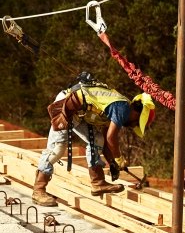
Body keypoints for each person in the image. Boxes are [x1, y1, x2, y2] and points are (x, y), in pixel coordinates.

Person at [32, 72, 155, 207]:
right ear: (137, 114)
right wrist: (118, 158)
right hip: (67, 103)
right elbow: (111, 137)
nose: (134, 126)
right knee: (57, 149)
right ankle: (38, 190)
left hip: (78, 110)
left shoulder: (117, 107)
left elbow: (105, 141)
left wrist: (113, 163)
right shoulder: (123, 108)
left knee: (97, 139)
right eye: (137, 123)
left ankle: (97, 183)